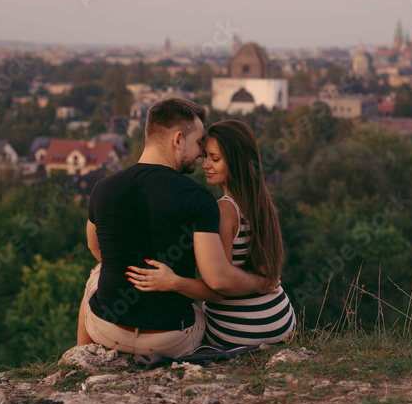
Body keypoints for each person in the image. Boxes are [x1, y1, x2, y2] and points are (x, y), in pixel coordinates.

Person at [77, 98, 276, 358]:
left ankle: (80, 358)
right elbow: (217, 281)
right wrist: (261, 284)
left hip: (108, 331)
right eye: (198, 143)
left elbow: (95, 246)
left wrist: (126, 269)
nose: (201, 153)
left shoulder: (103, 187)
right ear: (178, 139)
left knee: (97, 274)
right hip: (170, 340)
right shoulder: (198, 198)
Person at [126, 119, 296, 347]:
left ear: (237, 163)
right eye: (205, 156)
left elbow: (218, 284)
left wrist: (173, 282)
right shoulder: (263, 204)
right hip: (281, 322)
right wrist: (261, 284)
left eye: (215, 159)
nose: (205, 164)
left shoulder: (223, 210)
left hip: (239, 332)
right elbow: (267, 274)